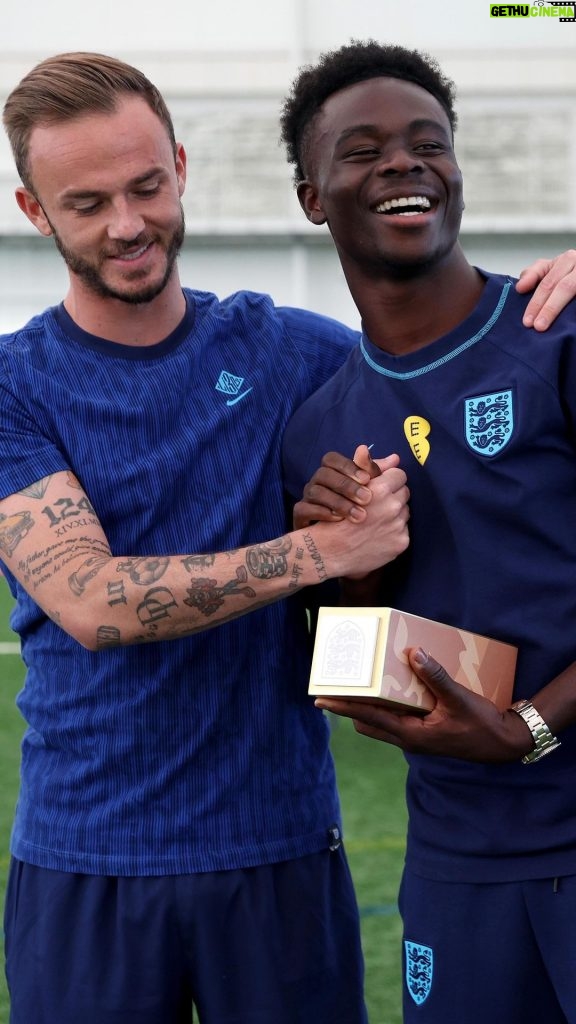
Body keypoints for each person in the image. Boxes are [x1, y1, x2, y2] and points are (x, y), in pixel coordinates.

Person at [0, 51, 571, 1024]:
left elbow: (448, 345)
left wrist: (556, 284)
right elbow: (91, 601)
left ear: (180, 166)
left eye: (145, 186)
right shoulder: (15, 384)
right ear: (33, 210)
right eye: (87, 203)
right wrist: (319, 554)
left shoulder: (295, 355)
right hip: (85, 856)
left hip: (280, 852)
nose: (129, 223)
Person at [280, 40, 576, 1024]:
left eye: (427, 142)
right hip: (459, 857)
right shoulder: (320, 430)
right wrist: (348, 565)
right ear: (312, 196)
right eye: (361, 150)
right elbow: (347, 667)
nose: (403, 163)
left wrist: (532, 727)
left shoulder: (555, 336)